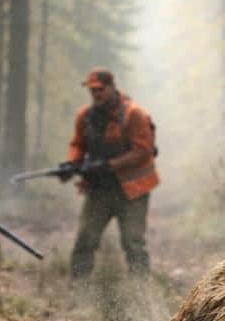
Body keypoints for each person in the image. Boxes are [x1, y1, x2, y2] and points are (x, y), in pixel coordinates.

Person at [64, 68, 159, 282]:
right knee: (85, 238)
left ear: (111, 87)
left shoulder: (134, 114)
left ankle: (140, 288)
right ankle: (79, 288)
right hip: (99, 189)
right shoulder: (85, 116)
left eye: (99, 89)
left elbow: (143, 150)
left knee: (133, 242)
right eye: (92, 90)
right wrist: (72, 164)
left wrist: (110, 165)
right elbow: (77, 144)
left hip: (133, 190)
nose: (95, 94)